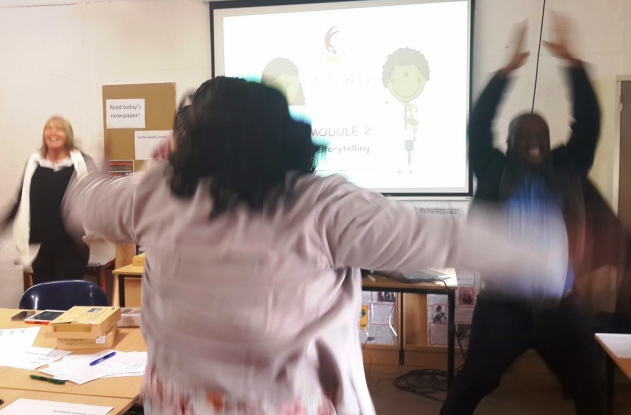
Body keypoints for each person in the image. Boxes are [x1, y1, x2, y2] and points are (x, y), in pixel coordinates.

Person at [63, 76, 558, 414]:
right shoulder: (321, 205)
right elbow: (442, 237)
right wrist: (551, 253)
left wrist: (146, 166)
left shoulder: (157, 192)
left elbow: (82, 202)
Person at [440, 16, 627, 415]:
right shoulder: (493, 170)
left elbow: (589, 124)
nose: (534, 142)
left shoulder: (567, 168)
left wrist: (573, 65)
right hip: (503, 306)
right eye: (524, 136)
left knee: (589, 385)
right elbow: (478, 128)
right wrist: (504, 74)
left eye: (541, 135)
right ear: (509, 143)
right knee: (472, 382)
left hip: (560, 306)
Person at [0, 116, 96, 284]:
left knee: (66, 296)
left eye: (59, 129)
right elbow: (20, 201)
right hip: (39, 247)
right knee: (44, 298)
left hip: (72, 247)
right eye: (49, 128)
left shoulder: (82, 164)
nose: (53, 133)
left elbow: (96, 200)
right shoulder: (34, 164)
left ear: (68, 135)